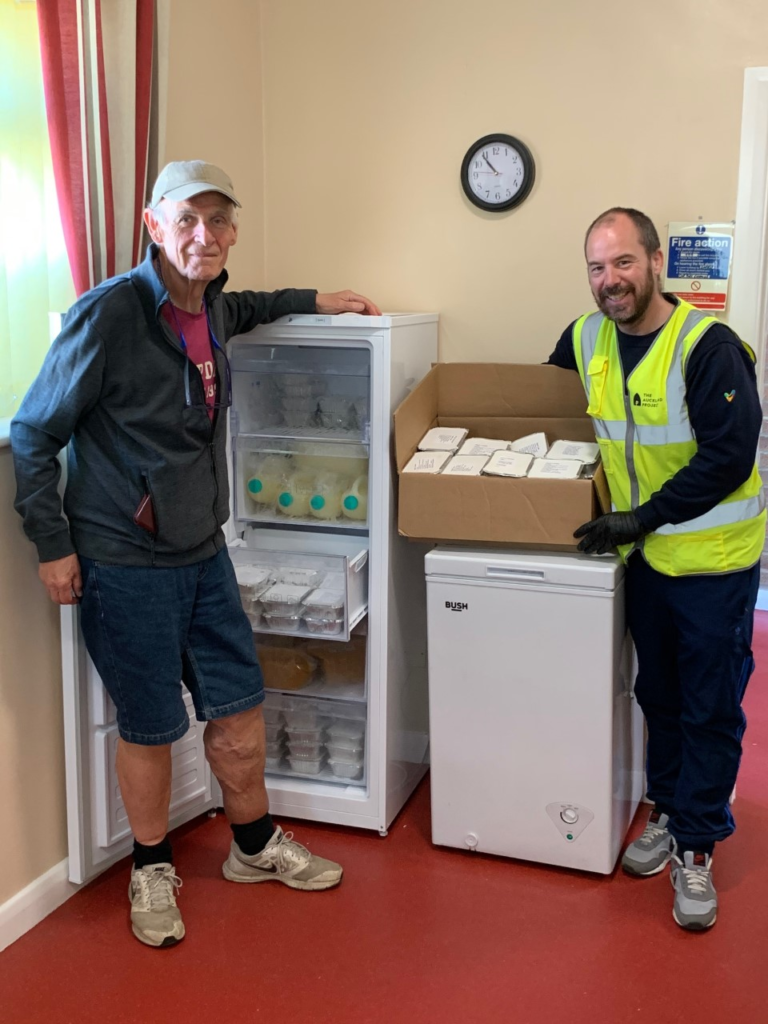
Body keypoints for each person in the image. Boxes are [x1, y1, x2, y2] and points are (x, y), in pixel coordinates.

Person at [11, 160, 381, 948]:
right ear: (154, 225)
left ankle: (253, 848)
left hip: (203, 552)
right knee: (148, 727)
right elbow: (33, 432)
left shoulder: (210, 302)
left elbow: (249, 305)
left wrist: (316, 300)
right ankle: (151, 866)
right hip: (122, 560)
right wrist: (53, 546)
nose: (201, 236)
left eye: (216, 222)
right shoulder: (108, 314)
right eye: (186, 220)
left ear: (232, 233)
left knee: (240, 708)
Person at [548, 207, 764, 932]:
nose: (609, 281)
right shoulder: (585, 338)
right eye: (596, 267)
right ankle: (668, 810)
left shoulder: (707, 347)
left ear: (655, 261)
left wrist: (639, 518)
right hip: (644, 563)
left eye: (623, 263)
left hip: (714, 564)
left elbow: (728, 458)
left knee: (708, 705)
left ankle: (698, 848)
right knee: (658, 693)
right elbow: (533, 407)